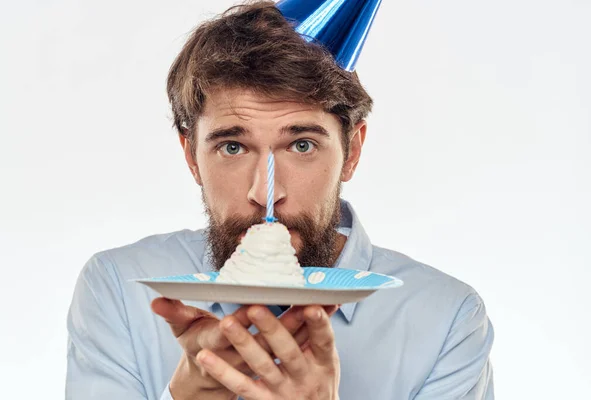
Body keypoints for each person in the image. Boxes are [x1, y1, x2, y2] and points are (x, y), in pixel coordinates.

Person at [66, 1, 494, 399]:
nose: (266, 193)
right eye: (233, 147)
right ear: (190, 157)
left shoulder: (445, 320)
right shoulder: (118, 290)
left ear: (353, 151)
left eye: (302, 145)